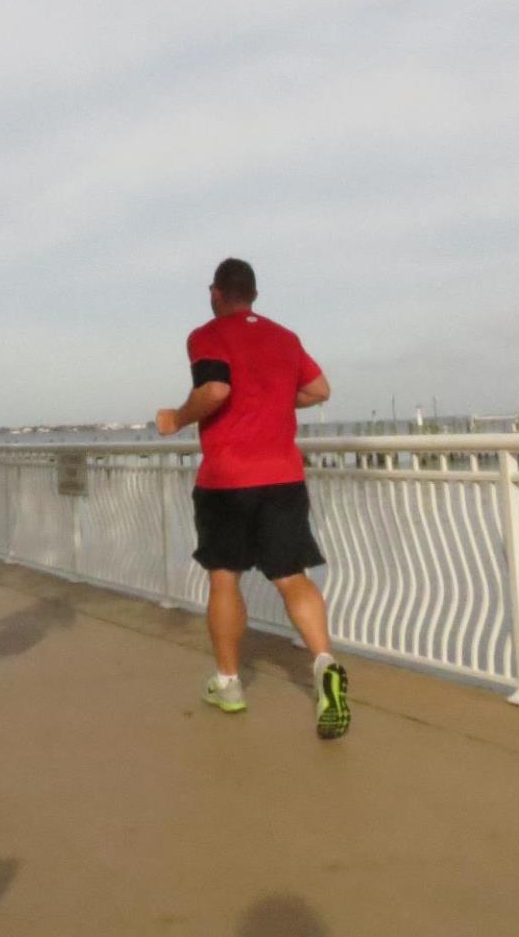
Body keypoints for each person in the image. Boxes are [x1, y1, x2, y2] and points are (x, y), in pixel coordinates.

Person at [155, 258, 349, 739]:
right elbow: (319, 390)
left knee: (225, 579)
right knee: (291, 576)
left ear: (216, 292)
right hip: (283, 477)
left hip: (226, 480)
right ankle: (324, 662)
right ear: (255, 294)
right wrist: (277, 396)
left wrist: (176, 418)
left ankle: (228, 683)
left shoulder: (208, 333)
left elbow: (215, 388)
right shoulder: (284, 337)